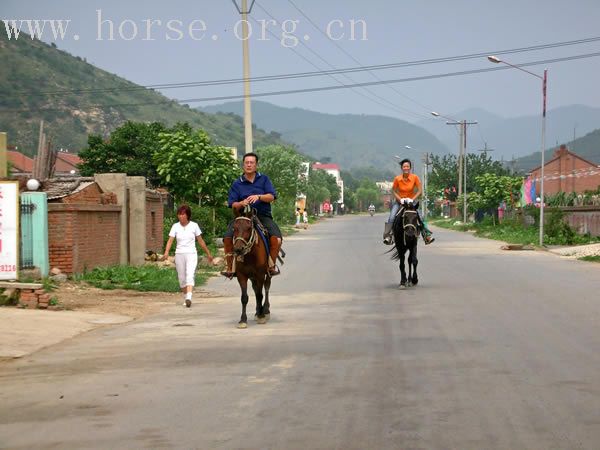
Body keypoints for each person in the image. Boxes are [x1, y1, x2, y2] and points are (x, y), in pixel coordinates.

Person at [221, 152, 282, 278]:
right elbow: (232, 204)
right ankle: (230, 267)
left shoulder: (264, 179)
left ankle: (271, 265)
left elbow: (271, 196)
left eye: (251, 163)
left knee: (277, 239)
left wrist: (259, 196)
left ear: (256, 165)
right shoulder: (237, 183)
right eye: (246, 163)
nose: (249, 165)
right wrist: (241, 203)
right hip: (242, 218)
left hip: (263, 216)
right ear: (243, 165)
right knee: (227, 238)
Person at [163, 205, 214, 308]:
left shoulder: (194, 226)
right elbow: (170, 240)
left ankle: (189, 297)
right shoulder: (175, 226)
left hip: (191, 253)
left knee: (189, 275)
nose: (181, 216)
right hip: (179, 254)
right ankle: (186, 296)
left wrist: (208, 253)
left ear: (188, 215)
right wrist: (166, 252)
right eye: (179, 214)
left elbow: (201, 241)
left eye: (183, 214)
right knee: (182, 279)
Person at [383, 158, 435, 245]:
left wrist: (412, 198)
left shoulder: (415, 178)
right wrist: (400, 199)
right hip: (399, 202)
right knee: (392, 217)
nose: (406, 168)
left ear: (410, 168)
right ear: (402, 168)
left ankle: (427, 236)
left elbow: (419, 190)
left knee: (420, 217)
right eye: (404, 166)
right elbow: (394, 191)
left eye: (407, 166)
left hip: (411, 202)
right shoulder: (397, 178)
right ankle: (388, 236)